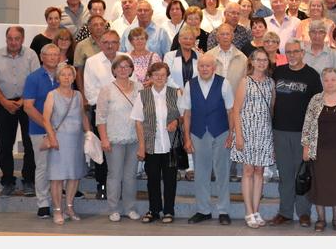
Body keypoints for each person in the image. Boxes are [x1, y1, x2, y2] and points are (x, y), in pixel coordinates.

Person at [269, 39, 322, 227]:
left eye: (295, 51)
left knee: (302, 174)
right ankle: (285, 212)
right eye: (288, 52)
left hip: (303, 133)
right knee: (285, 174)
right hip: (280, 131)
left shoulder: (312, 76)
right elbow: (272, 101)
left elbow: (317, 107)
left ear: (302, 53)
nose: (292, 55)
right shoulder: (278, 72)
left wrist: (312, 136)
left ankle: (304, 213)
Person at [0, 26, 40, 198]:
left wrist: (23, 101)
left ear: (22, 39)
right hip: (4, 103)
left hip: (28, 104)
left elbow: (35, 80)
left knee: (30, 144)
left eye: (17, 38)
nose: (13, 42)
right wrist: (4, 102)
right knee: (5, 145)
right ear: (6, 39)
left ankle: (29, 180)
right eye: (10, 38)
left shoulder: (31, 55)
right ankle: (8, 182)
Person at [181, 54, 235, 226]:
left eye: (208, 66)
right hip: (198, 133)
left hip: (221, 132)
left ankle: (223, 210)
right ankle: (203, 210)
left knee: (222, 172)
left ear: (214, 68)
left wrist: (231, 134)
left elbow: (231, 111)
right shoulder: (190, 85)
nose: (204, 69)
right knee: (201, 173)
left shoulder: (224, 83)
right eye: (202, 66)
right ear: (198, 68)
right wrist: (187, 138)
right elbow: (187, 113)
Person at [301, 68, 336, 232]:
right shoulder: (315, 100)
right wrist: (306, 146)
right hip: (319, 151)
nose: (330, 83)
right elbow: (307, 124)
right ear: (322, 82)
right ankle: (320, 219)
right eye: (326, 80)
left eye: (333, 79)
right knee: (319, 186)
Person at [132, 62, 181, 223]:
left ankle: (169, 211)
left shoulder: (175, 93)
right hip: (151, 145)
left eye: (162, 75)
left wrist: (176, 121)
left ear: (167, 76)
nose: (159, 78)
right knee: (152, 179)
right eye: (156, 75)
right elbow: (138, 121)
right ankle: (154, 210)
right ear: (150, 77)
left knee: (170, 180)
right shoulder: (142, 95)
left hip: (170, 145)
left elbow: (183, 116)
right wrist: (141, 146)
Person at [231, 49, 275, 228]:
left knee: (259, 172)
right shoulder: (245, 82)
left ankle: (256, 211)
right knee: (248, 171)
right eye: (259, 60)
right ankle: (248, 211)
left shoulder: (271, 83)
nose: (262, 63)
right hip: (247, 131)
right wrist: (238, 135)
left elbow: (271, 110)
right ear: (252, 62)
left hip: (264, 131)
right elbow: (236, 110)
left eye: (265, 60)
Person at [84, 30, 130, 200]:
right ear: (100, 44)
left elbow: (131, 84)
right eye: (106, 42)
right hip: (102, 114)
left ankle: (123, 187)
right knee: (103, 151)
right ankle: (101, 184)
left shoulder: (125, 58)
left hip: (125, 114)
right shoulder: (92, 62)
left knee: (124, 152)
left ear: (119, 43)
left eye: (113, 42)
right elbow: (90, 92)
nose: (110, 45)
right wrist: (111, 101)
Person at [43, 63, 90, 225]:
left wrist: (89, 133)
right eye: (63, 74)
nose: (66, 77)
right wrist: (52, 138)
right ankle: (57, 210)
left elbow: (83, 116)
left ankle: (69, 207)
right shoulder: (52, 95)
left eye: (69, 75)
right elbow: (46, 119)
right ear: (58, 77)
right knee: (57, 177)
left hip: (76, 140)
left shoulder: (78, 95)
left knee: (74, 176)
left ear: (74, 77)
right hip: (59, 140)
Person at [96, 55, 141, 222]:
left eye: (126, 66)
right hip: (114, 139)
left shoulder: (139, 87)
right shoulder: (106, 89)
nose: (123, 69)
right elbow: (100, 117)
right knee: (114, 175)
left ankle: (130, 208)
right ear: (113, 70)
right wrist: (104, 139)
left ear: (131, 69)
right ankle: (113, 208)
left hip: (135, 139)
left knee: (130, 175)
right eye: (119, 67)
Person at [22, 44, 61, 218]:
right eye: (49, 55)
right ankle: (43, 203)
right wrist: (48, 126)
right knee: (43, 167)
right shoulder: (33, 78)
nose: (53, 58)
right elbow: (28, 107)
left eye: (56, 55)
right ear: (41, 57)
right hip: (39, 130)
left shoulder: (64, 76)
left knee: (61, 165)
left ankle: (59, 202)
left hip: (62, 130)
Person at [206, 23, 248, 93]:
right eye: (222, 34)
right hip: (212, 99)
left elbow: (246, 83)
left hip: (234, 99)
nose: (225, 37)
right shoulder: (208, 56)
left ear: (232, 36)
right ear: (217, 37)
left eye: (228, 34)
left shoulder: (242, 58)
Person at [165, 26, 199, 90]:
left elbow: (203, 77)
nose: (188, 41)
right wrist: (178, 89)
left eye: (191, 39)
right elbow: (166, 76)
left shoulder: (200, 57)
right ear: (179, 40)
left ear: (194, 41)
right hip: (174, 94)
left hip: (195, 95)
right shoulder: (169, 56)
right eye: (185, 38)